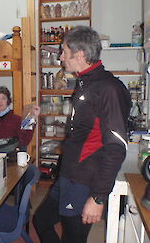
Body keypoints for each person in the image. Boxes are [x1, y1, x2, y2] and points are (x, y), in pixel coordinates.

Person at [33, 26, 132, 243]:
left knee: (73, 238)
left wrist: (98, 197)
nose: (60, 58)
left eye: (64, 52)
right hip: (68, 173)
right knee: (41, 221)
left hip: (84, 180)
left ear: (80, 55)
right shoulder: (86, 82)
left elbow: (116, 148)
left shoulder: (108, 89)